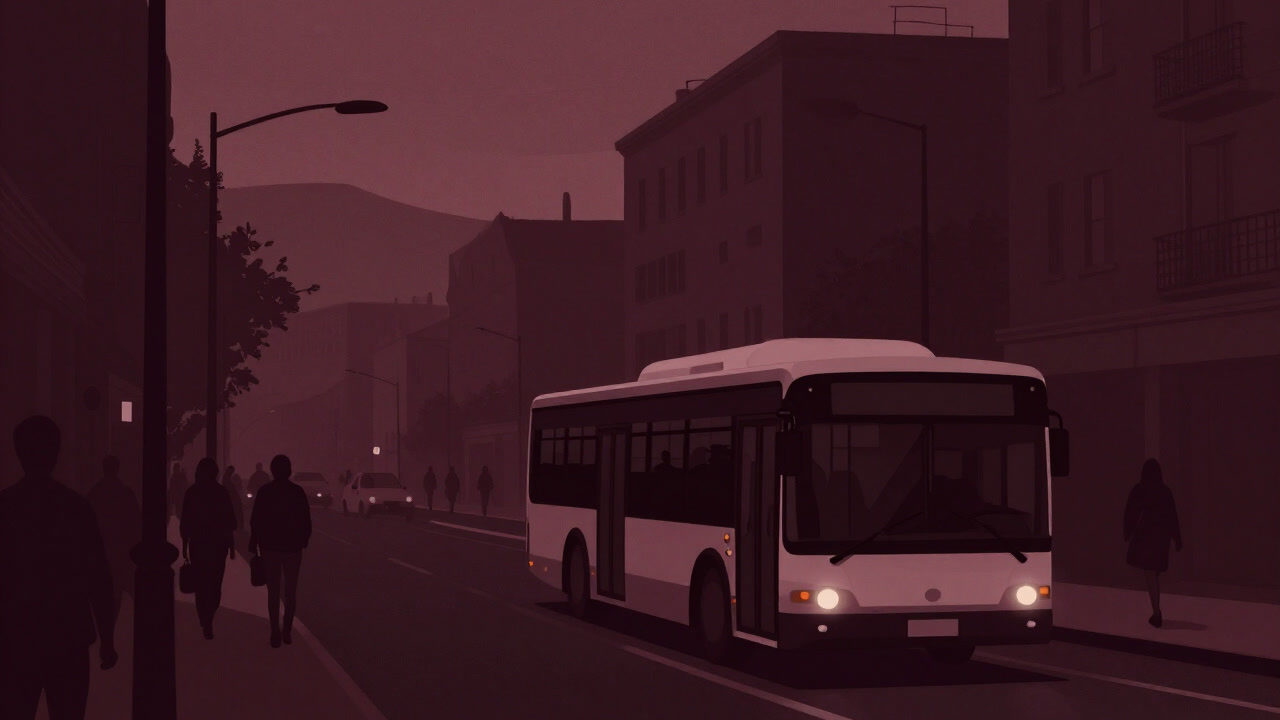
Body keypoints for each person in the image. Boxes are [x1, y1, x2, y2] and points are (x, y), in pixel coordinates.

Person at [0, 416, 117, 719]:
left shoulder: (6, 507)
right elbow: (98, 577)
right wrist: (107, 636)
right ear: (55, 454)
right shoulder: (75, 508)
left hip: (15, 638)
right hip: (67, 638)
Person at [249, 454, 312, 648]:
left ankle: (274, 631)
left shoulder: (265, 492)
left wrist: (255, 541)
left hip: (270, 548)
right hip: (293, 548)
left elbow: (256, 519)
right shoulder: (297, 492)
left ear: (272, 471)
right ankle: (287, 630)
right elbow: (305, 520)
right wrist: (303, 540)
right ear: (289, 470)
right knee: (290, 591)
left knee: (273, 591)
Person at [181, 458, 237, 639]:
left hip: (198, 545)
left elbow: (185, 521)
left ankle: (204, 618)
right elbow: (230, 522)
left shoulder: (192, 492)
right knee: (215, 583)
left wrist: (184, 544)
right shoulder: (221, 493)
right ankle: (209, 618)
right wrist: (232, 546)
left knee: (200, 584)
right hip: (218, 545)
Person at [1123, 458, 1183, 628]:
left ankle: (1157, 613)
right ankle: (1156, 612)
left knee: (1150, 575)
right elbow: (1173, 517)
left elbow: (1130, 513)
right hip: (1160, 541)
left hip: (1145, 540)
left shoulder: (1139, 490)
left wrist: (1127, 532)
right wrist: (1177, 538)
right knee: (1153, 574)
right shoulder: (1165, 492)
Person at [87, 455, 142, 623]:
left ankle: (107, 630)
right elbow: (135, 522)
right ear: (117, 469)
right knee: (118, 589)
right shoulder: (125, 493)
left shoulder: (95, 493)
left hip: (101, 551)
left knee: (104, 592)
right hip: (121, 550)